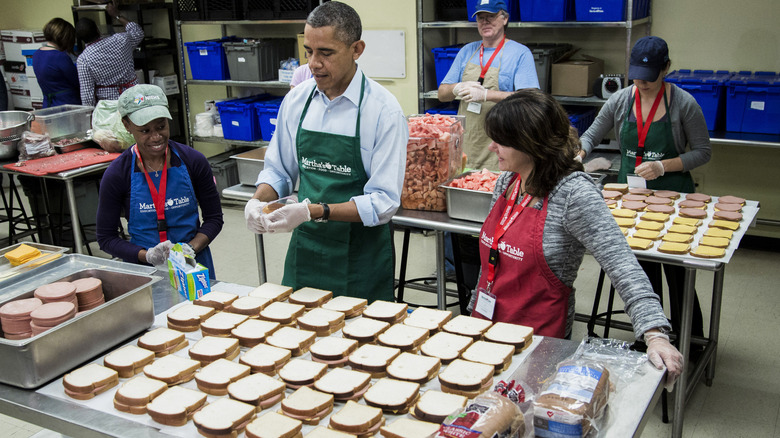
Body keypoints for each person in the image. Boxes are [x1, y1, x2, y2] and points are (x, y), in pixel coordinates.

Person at [470, 88, 683, 388]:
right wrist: (471, 319)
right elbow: (490, 260)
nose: (492, 147)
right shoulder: (507, 181)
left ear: (531, 144)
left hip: (537, 342)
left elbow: (622, 265)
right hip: (486, 330)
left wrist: (655, 334)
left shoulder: (573, 194)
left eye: (502, 140)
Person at [244, 1, 408, 302]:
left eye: (326, 53)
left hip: (360, 257)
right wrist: (258, 200)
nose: (313, 64)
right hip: (306, 249)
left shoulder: (383, 111)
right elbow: (278, 170)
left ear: (356, 49)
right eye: (308, 51)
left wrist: (313, 211)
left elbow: (384, 202)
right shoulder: (297, 101)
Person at [578, 36, 712, 348]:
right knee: (641, 269)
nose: (642, 84)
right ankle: (651, 334)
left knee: (676, 270)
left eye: (649, 79)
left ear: (666, 68)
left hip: (673, 198)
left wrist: (664, 166)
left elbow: (703, 152)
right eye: (636, 77)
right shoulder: (622, 100)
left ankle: (690, 337)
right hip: (632, 197)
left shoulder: (684, 105)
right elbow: (591, 134)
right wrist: (579, 154)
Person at [96, 84, 223, 278]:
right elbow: (106, 238)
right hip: (144, 270)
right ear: (127, 125)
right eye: (145, 131)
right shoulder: (117, 174)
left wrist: (190, 249)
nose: (156, 137)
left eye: (161, 127)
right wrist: (146, 256)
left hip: (193, 264)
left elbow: (214, 218)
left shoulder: (193, 161)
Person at [437, 0, 538, 171]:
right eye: (481, 18)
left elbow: (531, 100)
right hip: (467, 145)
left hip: (503, 145)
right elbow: (441, 93)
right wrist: (456, 88)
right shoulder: (467, 51)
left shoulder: (519, 53)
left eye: (491, 16)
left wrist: (486, 95)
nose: (485, 22)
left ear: (505, 19)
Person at [76, 0, 143, 106]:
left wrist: (92, 117)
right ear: (98, 30)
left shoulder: (83, 60)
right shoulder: (121, 40)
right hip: (135, 99)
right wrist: (117, 15)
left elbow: (87, 97)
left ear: (81, 39)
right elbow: (138, 32)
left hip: (110, 107)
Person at [32, 18, 81, 108]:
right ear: (65, 37)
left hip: (48, 105)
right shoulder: (60, 57)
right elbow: (77, 81)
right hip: (68, 105)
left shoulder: (36, 54)